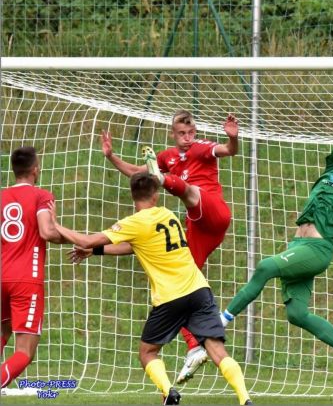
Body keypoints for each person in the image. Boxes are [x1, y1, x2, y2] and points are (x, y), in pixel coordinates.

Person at [219, 97, 333, 355]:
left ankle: (220, 323)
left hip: (318, 248)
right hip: (299, 244)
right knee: (297, 314)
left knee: (265, 267)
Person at [54, 172, 251, 405]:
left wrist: (56, 225)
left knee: (147, 352)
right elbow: (135, 245)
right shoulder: (168, 215)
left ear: (133, 197)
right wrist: (97, 251)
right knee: (217, 349)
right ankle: (245, 398)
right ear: (156, 196)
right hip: (199, 290)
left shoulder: (134, 222)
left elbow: (87, 240)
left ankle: (169, 393)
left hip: (170, 297)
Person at [100, 110, 238, 382]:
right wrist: (111, 156)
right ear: (173, 134)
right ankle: (195, 346)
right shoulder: (166, 157)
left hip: (214, 211)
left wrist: (233, 139)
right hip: (197, 229)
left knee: (191, 191)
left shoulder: (203, 149)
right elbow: (136, 173)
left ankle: (164, 180)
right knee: (187, 287)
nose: (188, 138)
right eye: (182, 134)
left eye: (191, 132)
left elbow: (228, 150)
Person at [1, 147, 66, 389]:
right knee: (25, 352)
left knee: (4, 328)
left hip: (2, 276)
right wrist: (76, 239)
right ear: (35, 169)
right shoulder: (41, 196)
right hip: (26, 279)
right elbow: (47, 232)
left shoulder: (1, 196)